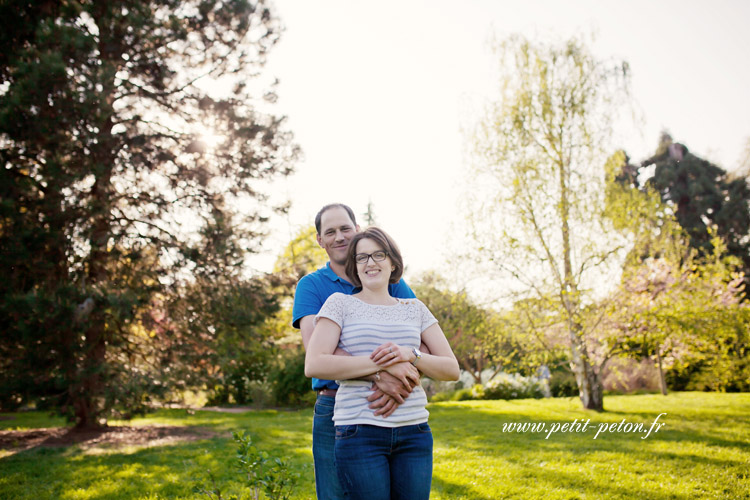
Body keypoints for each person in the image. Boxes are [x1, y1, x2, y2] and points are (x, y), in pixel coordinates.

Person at [305, 226, 460, 500]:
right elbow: (315, 364)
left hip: (414, 431)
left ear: (393, 262)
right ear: (354, 265)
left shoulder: (415, 308)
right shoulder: (339, 304)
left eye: (378, 255)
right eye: (362, 257)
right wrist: (383, 365)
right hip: (358, 433)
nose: (370, 263)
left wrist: (411, 354)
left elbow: (451, 369)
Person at [292, 204, 420, 500]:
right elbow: (316, 350)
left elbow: (421, 343)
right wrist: (379, 375)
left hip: (394, 403)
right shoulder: (312, 286)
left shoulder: (393, 282)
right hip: (335, 407)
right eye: (330, 232)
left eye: (345, 228)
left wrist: (401, 376)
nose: (339, 237)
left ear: (358, 229)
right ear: (320, 240)